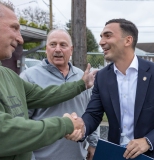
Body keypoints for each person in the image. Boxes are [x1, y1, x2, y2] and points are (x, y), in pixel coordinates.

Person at [0, 0, 95, 159]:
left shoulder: (5, 73)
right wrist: (65, 125)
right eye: (14, 28)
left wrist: (81, 84)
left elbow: (44, 95)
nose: (20, 39)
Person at [68, 18, 154, 160]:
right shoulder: (102, 77)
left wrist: (148, 141)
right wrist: (82, 127)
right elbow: (93, 114)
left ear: (128, 40)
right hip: (115, 155)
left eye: (108, 35)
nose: (101, 42)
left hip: (151, 155)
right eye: (101, 37)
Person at [20, 29, 99, 160]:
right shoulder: (29, 77)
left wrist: (93, 143)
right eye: (53, 44)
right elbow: (21, 123)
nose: (57, 49)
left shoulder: (82, 77)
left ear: (71, 50)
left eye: (63, 45)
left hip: (78, 156)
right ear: (46, 49)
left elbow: (92, 112)